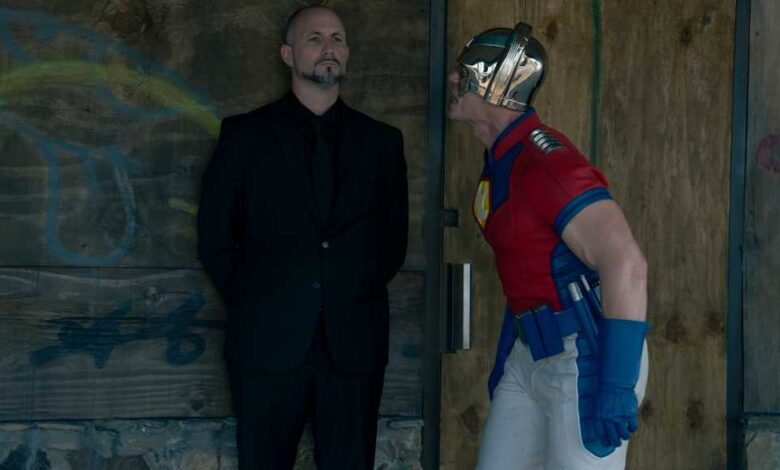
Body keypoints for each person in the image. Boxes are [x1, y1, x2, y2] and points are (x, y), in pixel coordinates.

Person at [196, 5, 408, 469]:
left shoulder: (382, 143)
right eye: (315, 38)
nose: (329, 47)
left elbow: (392, 243)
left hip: (353, 345)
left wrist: (344, 293)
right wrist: (259, 300)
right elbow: (214, 239)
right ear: (287, 54)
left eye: (337, 38)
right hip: (265, 343)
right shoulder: (244, 136)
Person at [447, 23, 649, 469]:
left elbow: (626, 262)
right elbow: (527, 264)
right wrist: (511, 346)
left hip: (585, 355)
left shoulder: (545, 163)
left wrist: (616, 384)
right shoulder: (504, 159)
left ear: (497, 85)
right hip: (532, 352)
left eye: (464, 73)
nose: (452, 80)